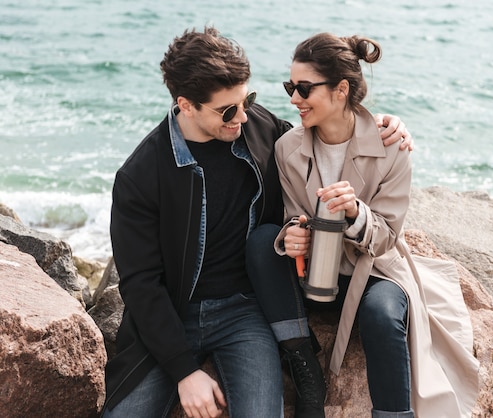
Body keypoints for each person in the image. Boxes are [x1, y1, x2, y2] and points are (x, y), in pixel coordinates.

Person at [102, 26, 412, 418]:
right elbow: (140, 284)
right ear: (185, 104)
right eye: (227, 110)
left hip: (244, 311)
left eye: (246, 99)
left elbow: (325, 132)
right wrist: (184, 371)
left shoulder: (258, 129)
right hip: (172, 313)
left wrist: (381, 124)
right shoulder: (141, 175)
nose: (243, 116)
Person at [246, 33, 480, 417]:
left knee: (383, 314)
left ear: (341, 90)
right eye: (290, 87)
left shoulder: (391, 146)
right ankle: (305, 369)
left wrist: (355, 212)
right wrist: (293, 235)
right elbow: (291, 213)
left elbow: (387, 236)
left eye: (303, 88)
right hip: (314, 278)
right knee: (261, 242)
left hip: (372, 272)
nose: (293, 99)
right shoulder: (287, 148)